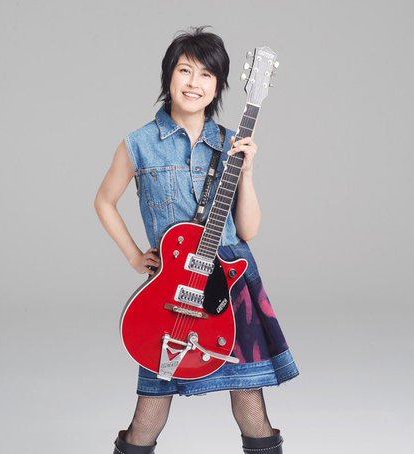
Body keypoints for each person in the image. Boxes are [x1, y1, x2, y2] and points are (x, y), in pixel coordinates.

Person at [94, 26, 298, 454]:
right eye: (185, 70)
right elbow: (104, 201)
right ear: (169, 75)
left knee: (250, 402)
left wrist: (246, 172)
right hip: (174, 289)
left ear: (219, 85)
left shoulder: (229, 143)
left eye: (206, 74)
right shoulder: (139, 144)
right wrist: (133, 256)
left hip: (229, 283)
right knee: (148, 414)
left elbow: (248, 231)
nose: (194, 83)